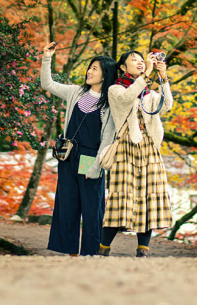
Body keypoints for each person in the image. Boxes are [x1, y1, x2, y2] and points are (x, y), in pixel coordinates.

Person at [39, 41, 118, 256]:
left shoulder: (109, 104)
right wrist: (47, 58)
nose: (89, 71)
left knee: (92, 210)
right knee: (67, 204)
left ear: (105, 75)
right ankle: (70, 253)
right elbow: (48, 84)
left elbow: (108, 138)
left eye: (95, 69)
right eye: (89, 67)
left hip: (91, 158)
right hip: (68, 156)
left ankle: (90, 254)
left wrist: (95, 167)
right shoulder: (76, 92)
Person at [99, 48, 173, 257]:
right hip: (126, 145)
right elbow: (129, 96)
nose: (140, 62)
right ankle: (103, 247)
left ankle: (143, 250)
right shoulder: (115, 90)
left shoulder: (149, 94)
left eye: (143, 60)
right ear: (122, 67)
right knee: (122, 196)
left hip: (150, 147)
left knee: (150, 196)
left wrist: (163, 77)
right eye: (135, 60)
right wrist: (147, 73)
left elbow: (167, 105)